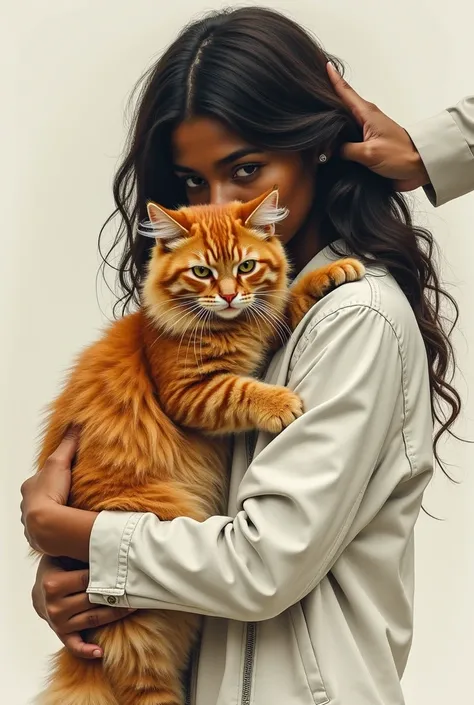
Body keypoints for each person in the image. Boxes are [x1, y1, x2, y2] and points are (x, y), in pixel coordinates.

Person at [20, 7, 469, 705]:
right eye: (193, 183)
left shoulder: (356, 317)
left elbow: (263, 561)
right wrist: (78, 583)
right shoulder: (238, 315)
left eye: (246, 170)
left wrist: (79, 531)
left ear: (314, 145)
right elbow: (184, 522)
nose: (218, 207)